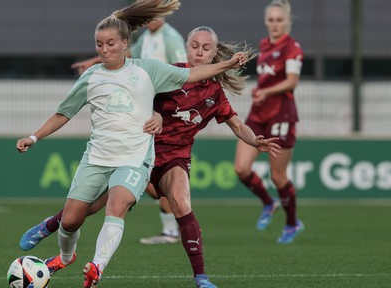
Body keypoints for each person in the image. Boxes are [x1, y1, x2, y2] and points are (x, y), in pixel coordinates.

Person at [19, 24, 280, 288]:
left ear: (215, 52)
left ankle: (201, 276)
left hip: (173, 158)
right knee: (85, 210)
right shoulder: (168, 73)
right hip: (138, 149)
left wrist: (254, 140)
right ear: (185, 46)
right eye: (194, 46)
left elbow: (237, 124)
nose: (199, 52)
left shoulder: (215, 93)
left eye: (206, 48)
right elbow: (137, 96)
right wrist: (154, 116)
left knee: (181, 202)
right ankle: (52, 224)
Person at [72, 17, 186, 245]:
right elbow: (129, 56)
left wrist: (163, 111)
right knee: (151, 179)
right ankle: (170, 227)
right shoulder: (147, 37)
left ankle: (173, 229)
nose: (151, 19)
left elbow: (182, 74)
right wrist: (95, 61)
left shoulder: (171, 39)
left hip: (159, 114)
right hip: (144, 111)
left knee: (160, 174)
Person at [234, 0, 305, 244]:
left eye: (279, 20)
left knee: (278, 176)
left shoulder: (292, 47)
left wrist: (266, 92)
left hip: (281, 116)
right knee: (241, 169)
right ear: (267, 22)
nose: (275, 24)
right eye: (271, 20)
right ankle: (269, 202)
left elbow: (292, 82)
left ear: (287, 22)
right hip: (258, 114)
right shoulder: (264, 45)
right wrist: (259, 92)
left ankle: (292, 223)